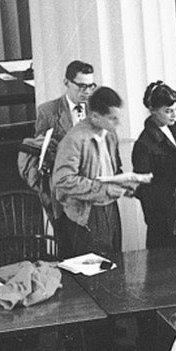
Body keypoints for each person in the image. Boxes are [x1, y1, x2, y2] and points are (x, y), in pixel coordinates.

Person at [50, 85, 149, 258]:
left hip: (109, 209)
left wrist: (126, 185)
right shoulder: (74, 139)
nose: (118, 124)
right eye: (113, 119)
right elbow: (63, 180)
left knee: (114, 261)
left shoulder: (110, 134)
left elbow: (113, 170)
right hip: (86, 214)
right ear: (95, 116)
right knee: (93, 272)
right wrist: (104, 190)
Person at [130, 80, 176, 245]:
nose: (174, 115)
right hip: (164, 225)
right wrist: (173, 191)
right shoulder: (143, 144)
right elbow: (142, 190)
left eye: (175, 110)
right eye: (168, 111)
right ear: (152, 110)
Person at [25, 59, 95, 191]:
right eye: (81, 86)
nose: (87, 92)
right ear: (66, 83)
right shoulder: (48, 112)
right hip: (65, 187)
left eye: (91, 86)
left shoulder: (97, 109)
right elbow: (41, 152)